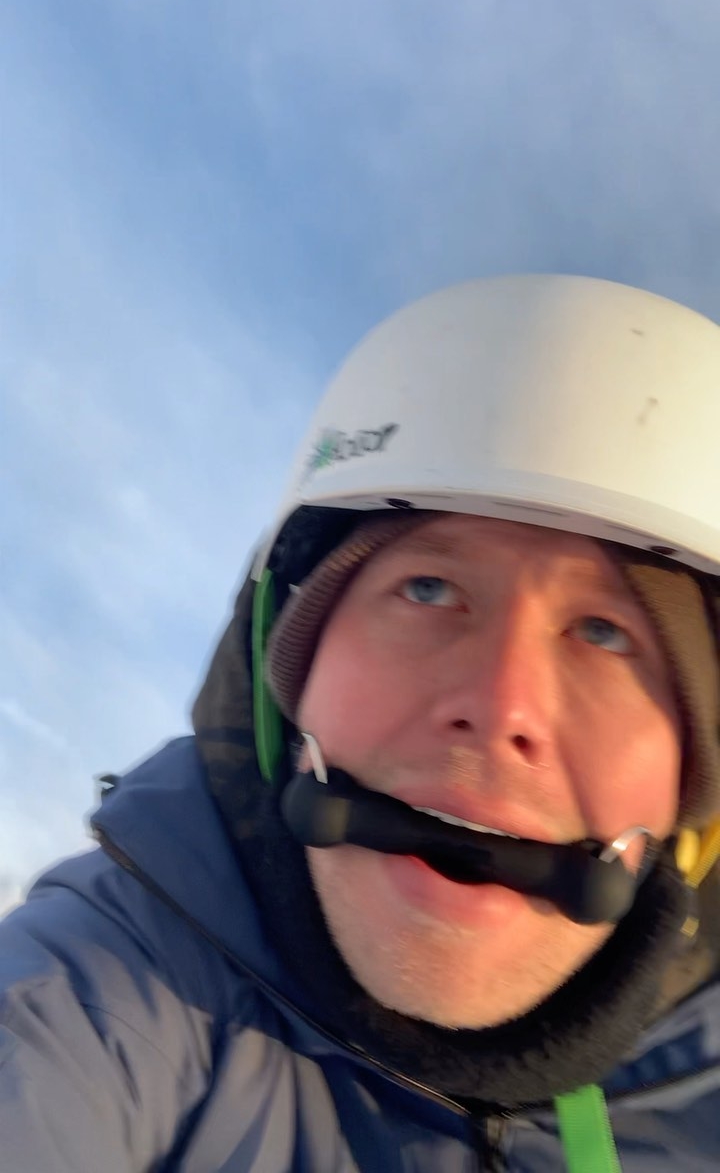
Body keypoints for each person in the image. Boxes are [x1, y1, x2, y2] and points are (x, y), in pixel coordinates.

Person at [2, 273, 720, 1172]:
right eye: (428, 587)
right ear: (287, 678)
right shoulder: (93, 993)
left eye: (606, 634)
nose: (501, 707)